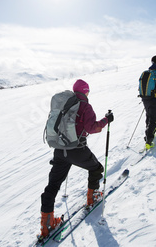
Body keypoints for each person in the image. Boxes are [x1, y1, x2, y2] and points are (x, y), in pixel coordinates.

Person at [39, 79, 114, 239]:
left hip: (60, 150)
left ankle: (47, 224)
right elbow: (92, 128)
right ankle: (92, 197)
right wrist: (106, 120)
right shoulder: (85, 106)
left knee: (52, 185)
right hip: (77, 150)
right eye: (87, 91)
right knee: (96, 168)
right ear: (85, 91)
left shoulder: (66, 105)